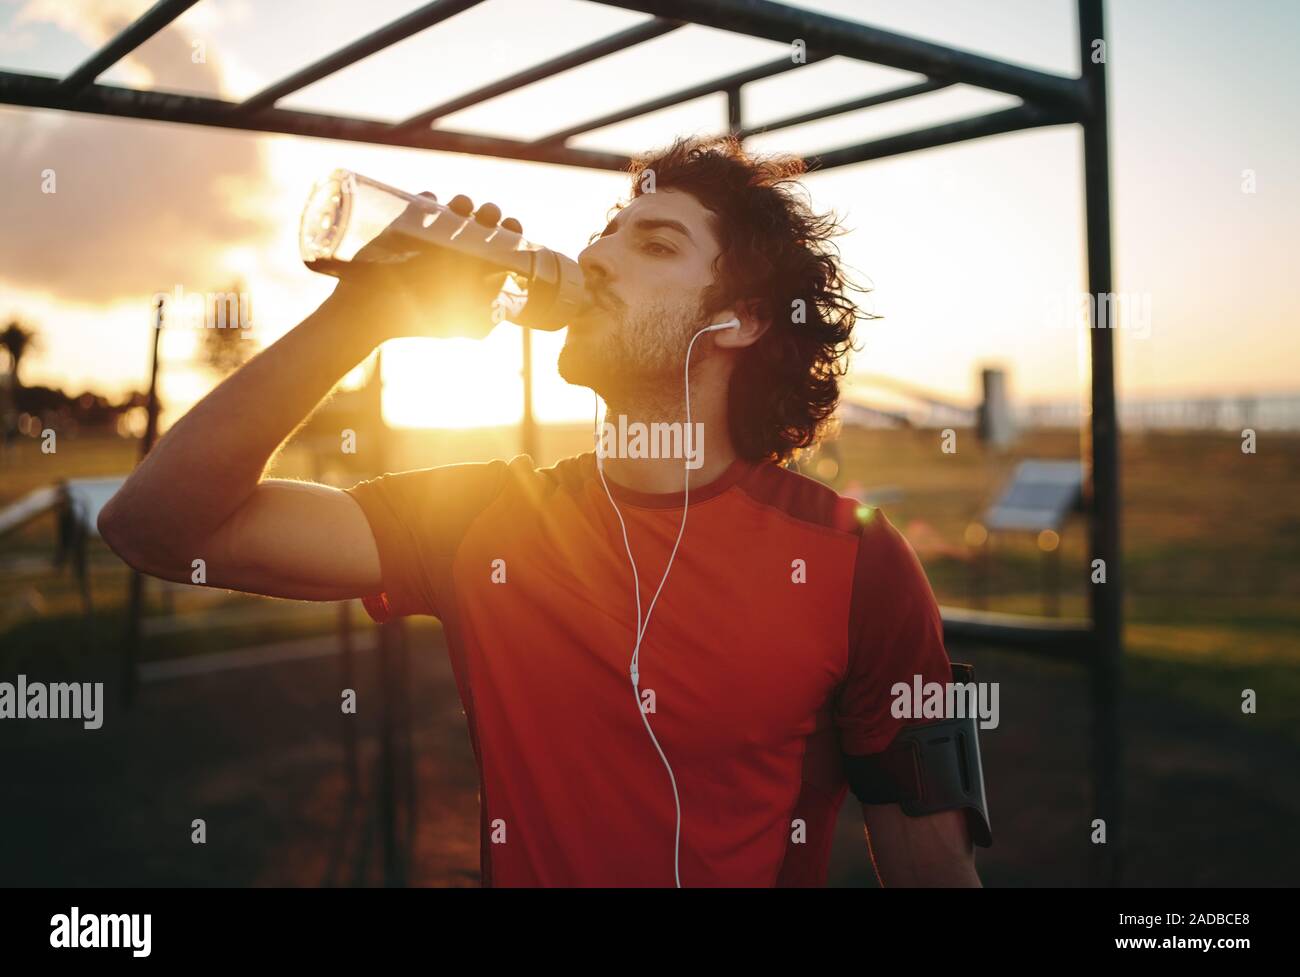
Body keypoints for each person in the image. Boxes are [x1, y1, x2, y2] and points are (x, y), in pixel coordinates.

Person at [99, 135, 983, 887]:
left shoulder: (854, 560)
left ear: (741, 322)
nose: (596, 259)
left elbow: (931, 862)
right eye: (605, 235)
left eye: (657, 246)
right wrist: (360, 317)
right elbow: (156, 528)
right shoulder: (480, 514)